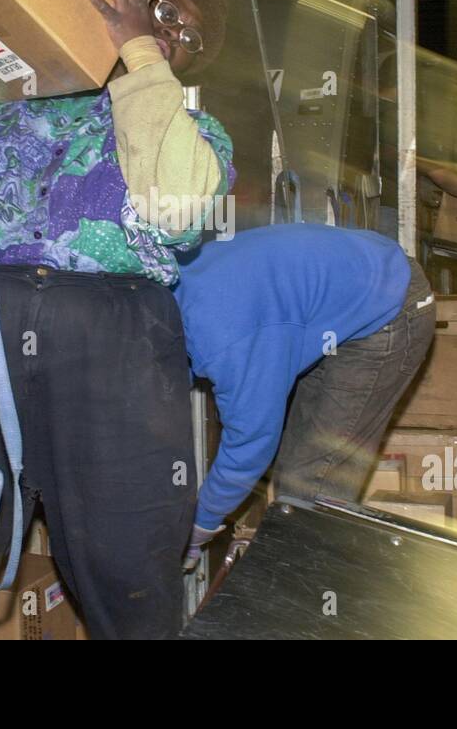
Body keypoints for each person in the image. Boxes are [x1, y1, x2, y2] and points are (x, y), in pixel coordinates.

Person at [0, 0, 234, 639]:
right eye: (162, 11)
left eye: (184, 39)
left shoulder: (197, 136)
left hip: (117, 334)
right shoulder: (11, 88)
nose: (171, 34)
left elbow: (178, 209)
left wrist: (140, 51)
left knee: (126, 559)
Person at [171, 223, 436, 566]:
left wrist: (201, 523)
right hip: (343, 292)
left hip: (390, 309)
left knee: (312, 488)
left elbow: (250, 444)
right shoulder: (167, 287)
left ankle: (314, 599)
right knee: (296, 469)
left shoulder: (228, 341)